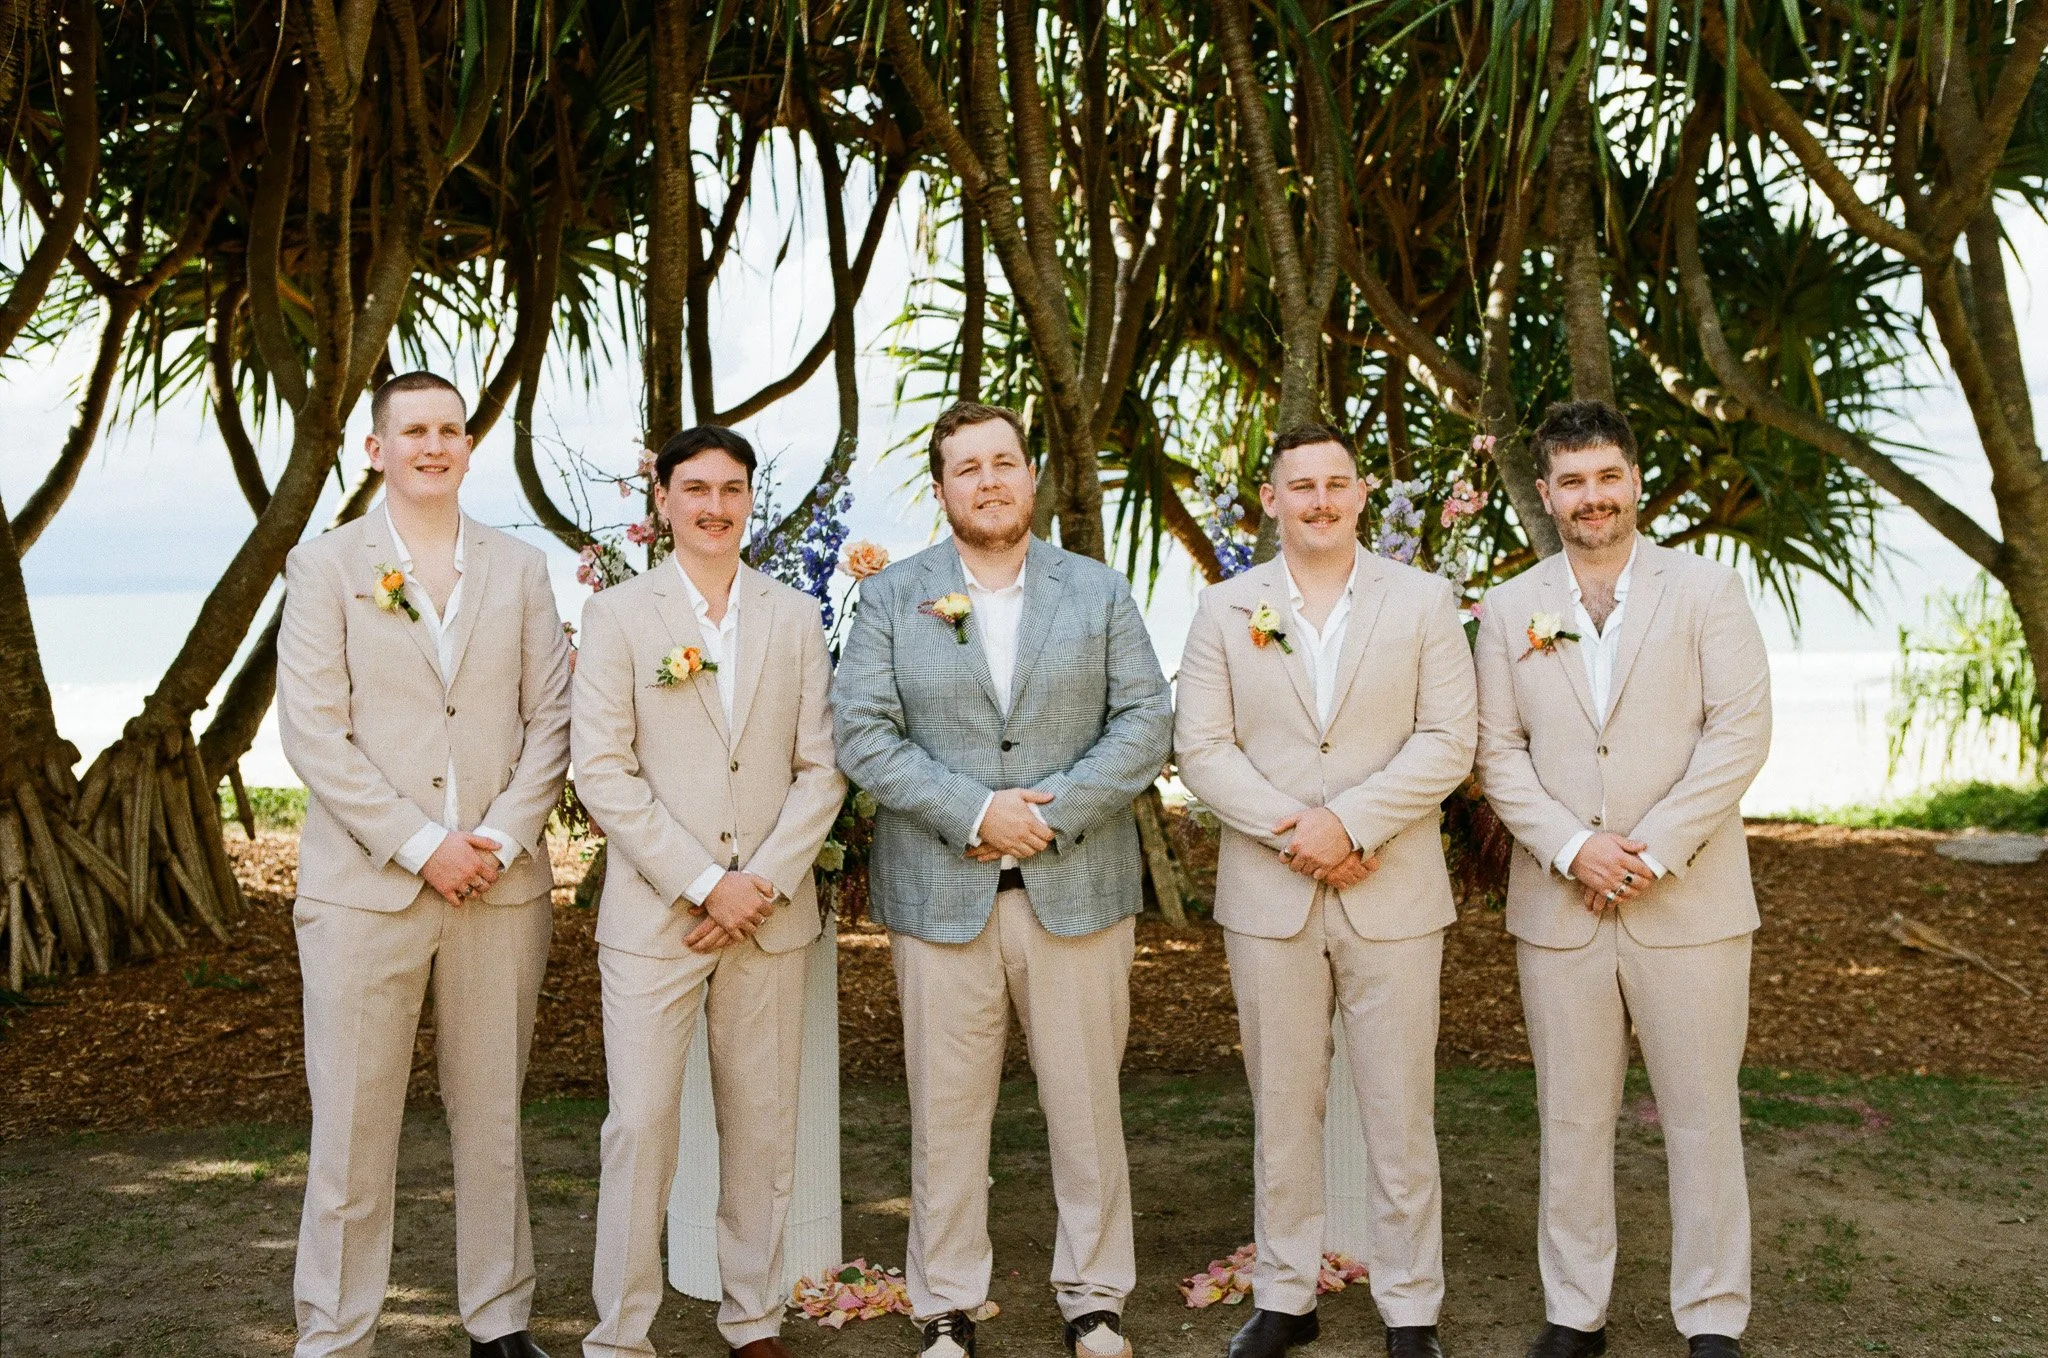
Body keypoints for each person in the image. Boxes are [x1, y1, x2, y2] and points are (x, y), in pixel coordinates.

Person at [831, 402, 1173, 1358]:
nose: (988, 481)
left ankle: (1095, 1296)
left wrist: (1047, 812)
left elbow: (1145, 720)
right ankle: (944, 1300)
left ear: (1032, 477)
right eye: (966, 468)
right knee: (944, 1112)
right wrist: (979, 813)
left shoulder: (1099, 592)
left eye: (1004, 463)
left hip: (1079, 890)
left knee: (1087, 1107)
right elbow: (862, 731)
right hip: (943, 896)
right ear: (941, 491)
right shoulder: (895, 597)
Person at [277, 371, 571, 1358]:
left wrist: (495, 838)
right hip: (364, 893)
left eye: (449, 428)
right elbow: (314, 733)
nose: (433, 445)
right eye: (413, 431)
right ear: (377, 448)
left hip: (499, 888)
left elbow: (552, 719)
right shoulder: (324, 567)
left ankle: (499, 1319)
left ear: (465, 445)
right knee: (353, 1130)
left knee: (491, 1118)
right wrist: (419, 844)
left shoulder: (520, 567)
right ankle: (336, 1327)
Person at [1474, 400, 1771, 1358]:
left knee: (1702, 1118)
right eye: (1571, 482)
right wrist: (1572, 848)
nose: (1591, 497)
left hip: (1690, 903)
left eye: (1607, 476)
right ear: (1547, 494)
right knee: (1570, 1118)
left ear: (1634, 479)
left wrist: (1648, 849)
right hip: (1560, 910)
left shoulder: (1708, 591)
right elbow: (1497, 752)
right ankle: (1575, 1312)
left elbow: (1739, 734)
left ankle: (1713, 1317)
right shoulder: (1514, 607)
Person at [1174, 424, 1476, 1358]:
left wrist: (1348, 824)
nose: (1319, 501)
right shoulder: (1225, 608)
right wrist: (1296, 832)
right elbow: (1203, 749)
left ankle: (1410, 1309)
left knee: (1399, 1105)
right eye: (1299, 486)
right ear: (1270, 500)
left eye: (1336, 484)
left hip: (1393, 890)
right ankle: (1285, 1298)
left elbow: (1448, 739)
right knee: (1283, 1104)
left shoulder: (1425, 601)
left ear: (1361, 495)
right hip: (1270, 898)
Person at [573, 424, 845, 1358]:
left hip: (768, 917)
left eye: (732, 489)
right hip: (658, 921)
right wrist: (701, 883)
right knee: (641, 1127)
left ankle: (753, 1319)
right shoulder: (618, 617)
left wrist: (758, 882)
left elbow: (823, 769)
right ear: (663, 501)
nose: (714, 506)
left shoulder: (793, 617)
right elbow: (602, 771)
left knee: (762, 1132)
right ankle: (620, 1333)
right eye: (695, 489)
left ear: (749, 500)